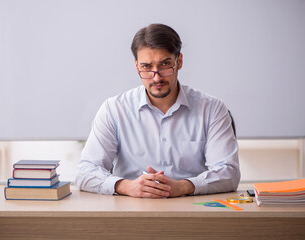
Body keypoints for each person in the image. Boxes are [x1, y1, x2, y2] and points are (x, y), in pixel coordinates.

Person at [75, 23, 240, 198]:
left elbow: (229, 173)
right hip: (130, 212)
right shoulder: (114, 109)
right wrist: (126, 186)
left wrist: (183, 186)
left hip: (192, 212)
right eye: (146, 67)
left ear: (179, 61)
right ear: (137, 66)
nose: (156, 77)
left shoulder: (212, 109)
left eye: (165, 64)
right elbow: (85, 172)